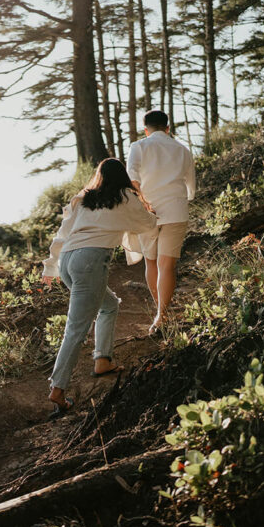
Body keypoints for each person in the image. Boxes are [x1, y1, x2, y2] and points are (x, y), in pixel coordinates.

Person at [41, 158, 157, 418]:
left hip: (69, 261)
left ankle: (102, 360)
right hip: (90, 261)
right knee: (76, 328)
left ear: (99, 176)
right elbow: (148, 225)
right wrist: (152, 211)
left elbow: (62, 232)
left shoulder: (85, 199)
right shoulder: (125, 196)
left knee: (109, 305)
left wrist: (51, 267)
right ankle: (57, 389)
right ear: (122, 177)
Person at [126, 109, 196, 333]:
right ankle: (161, 315)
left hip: (148, 212)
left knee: (151, 263)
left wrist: (144, 200)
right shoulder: (183, 150)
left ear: (146, 130)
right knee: (167, 265)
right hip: (176, 210)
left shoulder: (138, 146)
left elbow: (132, 177)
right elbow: (191, 189)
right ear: (168, 128)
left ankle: (160, 314)